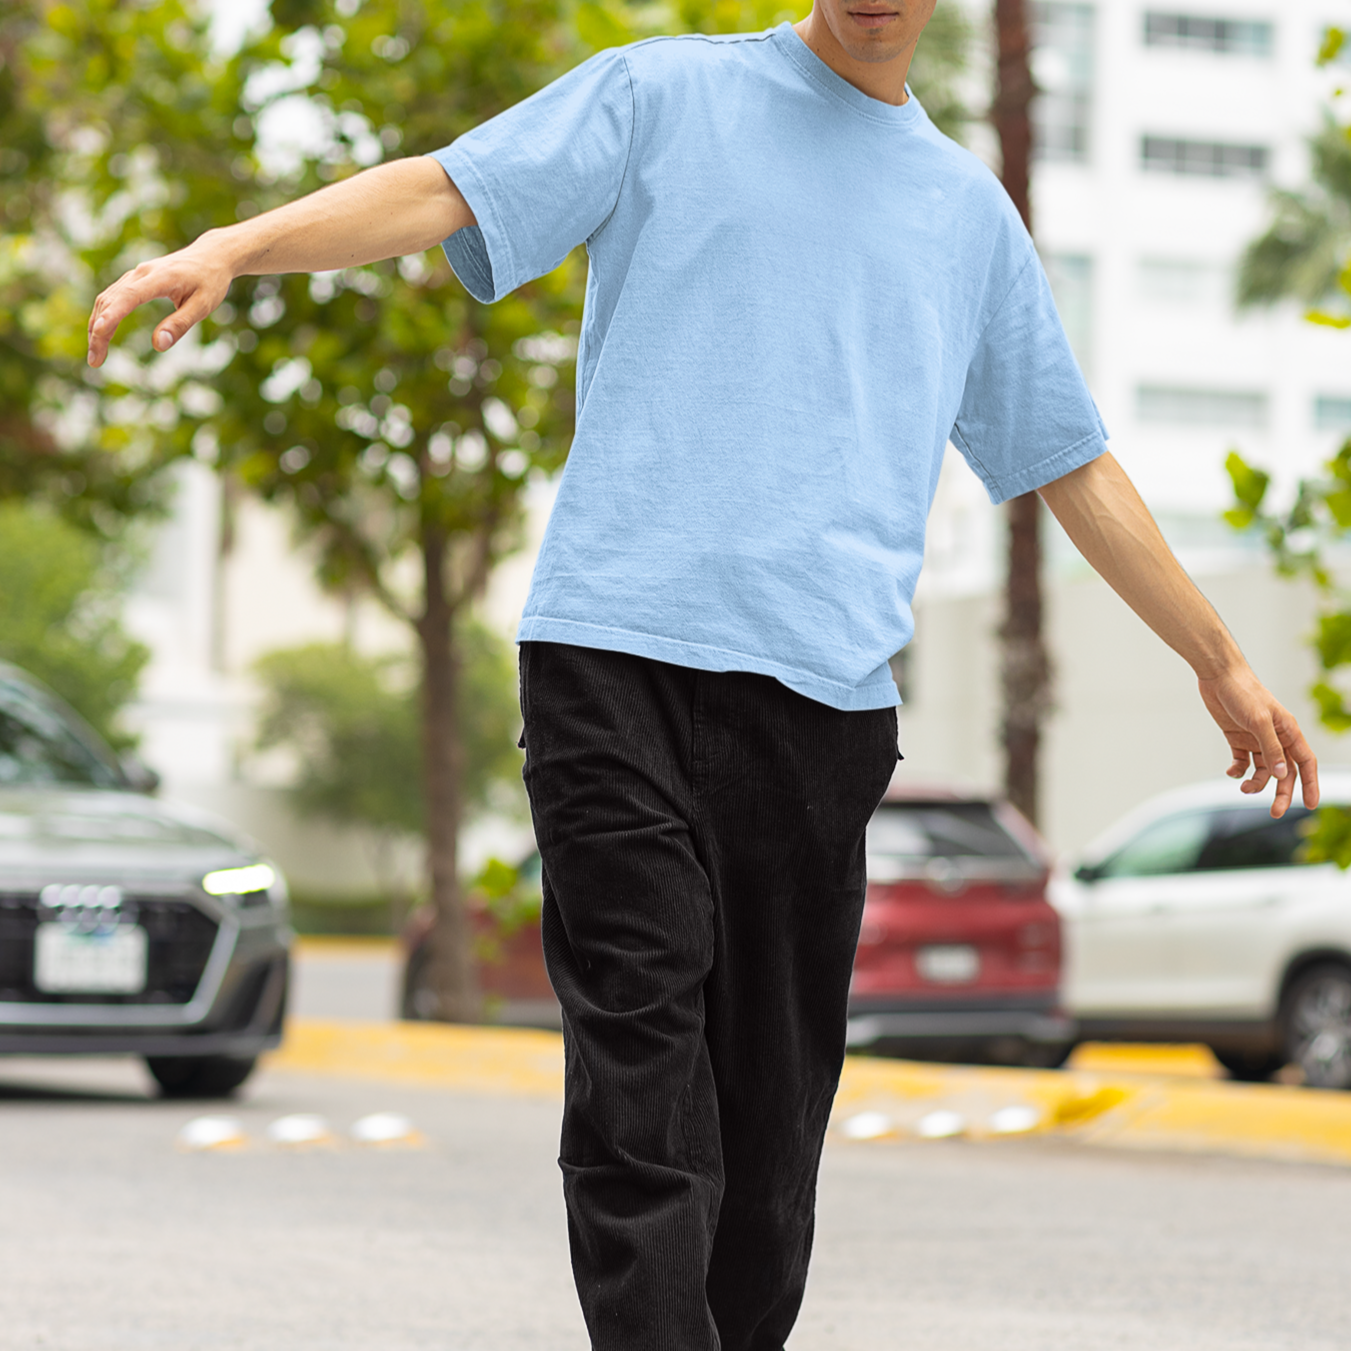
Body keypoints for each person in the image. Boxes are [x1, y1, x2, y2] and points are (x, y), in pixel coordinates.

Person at [87, 2, 1318, 1346]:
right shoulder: (660, 97)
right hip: (614, 658)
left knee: (770, 1147)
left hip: (821, 709)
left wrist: (1217, 656)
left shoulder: (964, 218)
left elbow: (1066, 460)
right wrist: (233, 247)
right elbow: (447, 188)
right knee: (642, 1083)